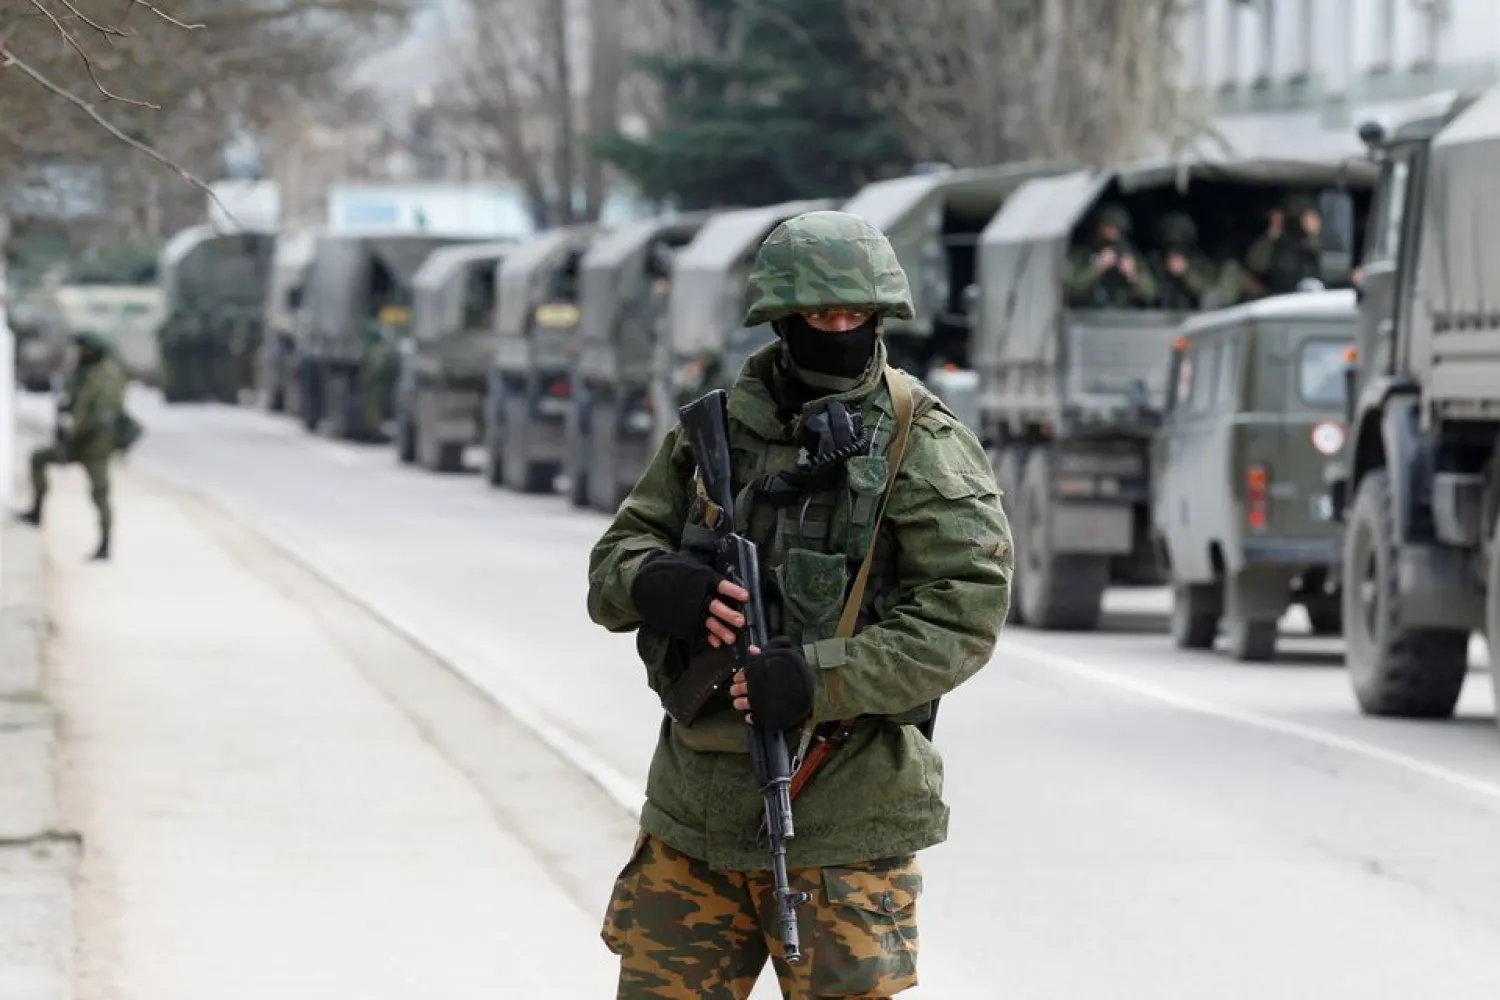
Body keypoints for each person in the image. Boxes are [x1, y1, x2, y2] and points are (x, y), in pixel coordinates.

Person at [586, 210, 1013, 999]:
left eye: (858, 316)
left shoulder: (920, 442)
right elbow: (614, 560)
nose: (841, 331)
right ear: (783, 319)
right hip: (693, 817)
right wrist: (657, 583)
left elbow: (965, 616)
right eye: (822, 316)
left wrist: (821, 678)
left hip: (842, 819)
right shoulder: (715, 434)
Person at [15, 331, 137, 561]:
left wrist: (74, 428)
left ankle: (105, 544)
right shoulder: (82, 371)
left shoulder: (107, 375)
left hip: (95, 445)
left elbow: (101, 414)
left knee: (100, 494)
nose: (79, 353)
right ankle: (37, 510)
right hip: (75, 442)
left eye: (82, 349)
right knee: (37, 459)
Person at [1064, 202, 1157, 308]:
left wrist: (1133, 275)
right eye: (1109, 227)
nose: (1112, 233)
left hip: (1124, 318)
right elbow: (1072, 290)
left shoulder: (1130, 255)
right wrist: (1098, 267)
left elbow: (1151, 294)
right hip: (1088, 317)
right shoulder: (1082, 254)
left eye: (1117, 230)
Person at [1245, 194, 1323, 295]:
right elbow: (1256, 265)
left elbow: (1326, 266)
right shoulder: (1278, 240)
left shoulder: (1323, 239)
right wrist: (1272, 234)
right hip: (1280, 295)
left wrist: (1312, 234)